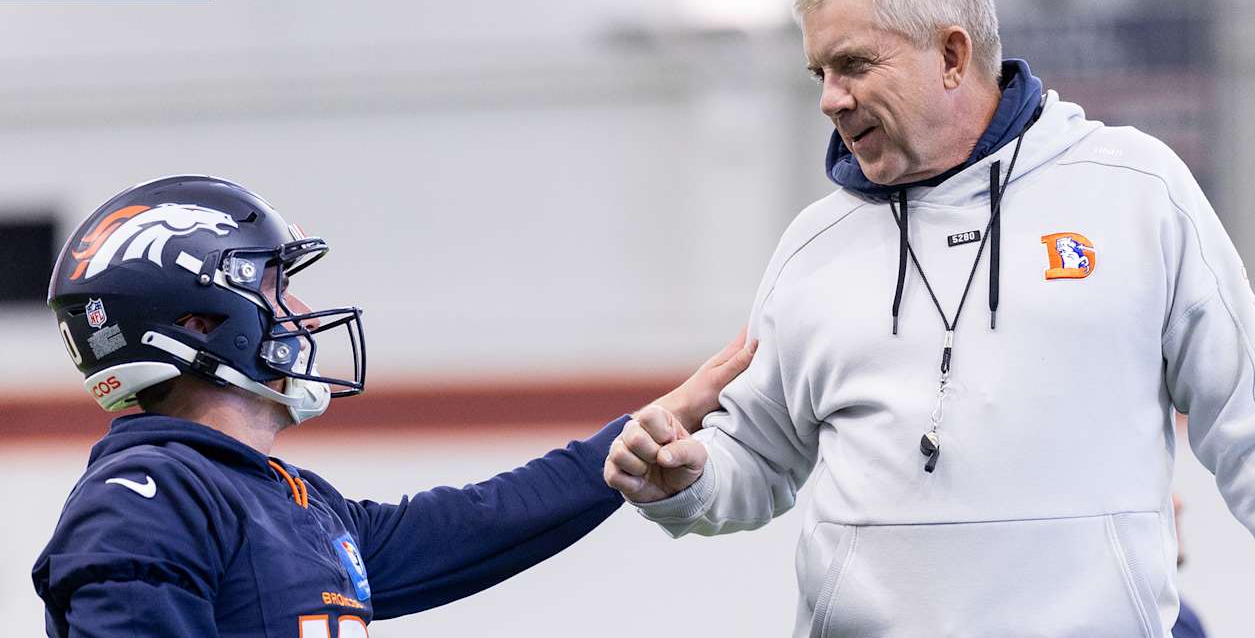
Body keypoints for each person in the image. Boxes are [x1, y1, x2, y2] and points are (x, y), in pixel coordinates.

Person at [604, 0, 1255, 637]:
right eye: (819, 75)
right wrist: (688, 483)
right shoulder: (814, 247)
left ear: (952, 57)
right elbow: (756, 455)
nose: (831, 99)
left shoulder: (1136, 189)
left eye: (853, 65)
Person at [32, 175, 756, 637]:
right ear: (198, 322)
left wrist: (654, 423)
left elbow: (480, 522)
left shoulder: (288, 501)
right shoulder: (148, 499)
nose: (301, 310)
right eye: (275, 288)